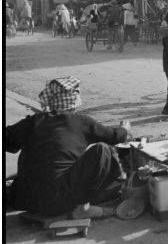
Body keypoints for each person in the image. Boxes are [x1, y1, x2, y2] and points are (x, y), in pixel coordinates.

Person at [5, 76, 131, 218]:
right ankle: (82, 209)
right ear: (73, 101)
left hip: (25, 199)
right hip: (58, 201)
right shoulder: (81, 121)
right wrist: (124, 129)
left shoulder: (33, 121)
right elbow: (114, 137)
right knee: (103, 150)